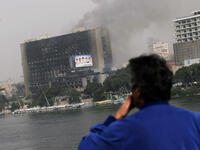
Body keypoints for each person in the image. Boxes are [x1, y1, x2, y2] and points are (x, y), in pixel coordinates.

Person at [78, 54, 200, 150]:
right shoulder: (195, 120)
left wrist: (116, 117)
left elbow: (86, 147)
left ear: (137, 90)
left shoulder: (125, 128)